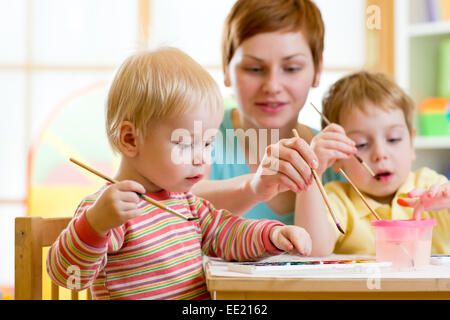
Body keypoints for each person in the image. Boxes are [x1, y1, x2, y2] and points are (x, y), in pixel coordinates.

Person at [46, 47, 313, 300]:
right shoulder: (110, 210)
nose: (201, 158)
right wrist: (94, 225)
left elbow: (229, 233)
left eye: (208, 143)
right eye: (185, 143)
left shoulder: (186, 203)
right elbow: (68, 277)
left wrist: (272, 236)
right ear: (130, 139)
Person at [191, 0, 344, 226]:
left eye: (291, 68)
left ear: (317, 71)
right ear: (226, 69)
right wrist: (254, 187)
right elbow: (175, 203)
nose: (272, 86)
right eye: (254, 69)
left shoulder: (334, 156)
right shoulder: (198, 136)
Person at [295, 70, 450, 256]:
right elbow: (312, 248)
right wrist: (313, 171)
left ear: (412, 144)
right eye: (361, 144)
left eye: (393, 139)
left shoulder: (429, 185)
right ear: (337, 159)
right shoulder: (338, 201)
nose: (380, 154)